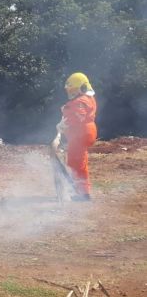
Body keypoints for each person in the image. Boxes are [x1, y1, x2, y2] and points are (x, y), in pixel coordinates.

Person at [57, 72, 97, 201]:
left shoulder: (80, 101)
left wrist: (64, 122)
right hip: (85, 132)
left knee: (76, 163)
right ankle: (82, 192)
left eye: (73, 89)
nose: (71, 92)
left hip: (81, 133)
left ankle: (83, 194)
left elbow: (78, 116)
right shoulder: (87, 98)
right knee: (80, 162)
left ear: (82, 87)